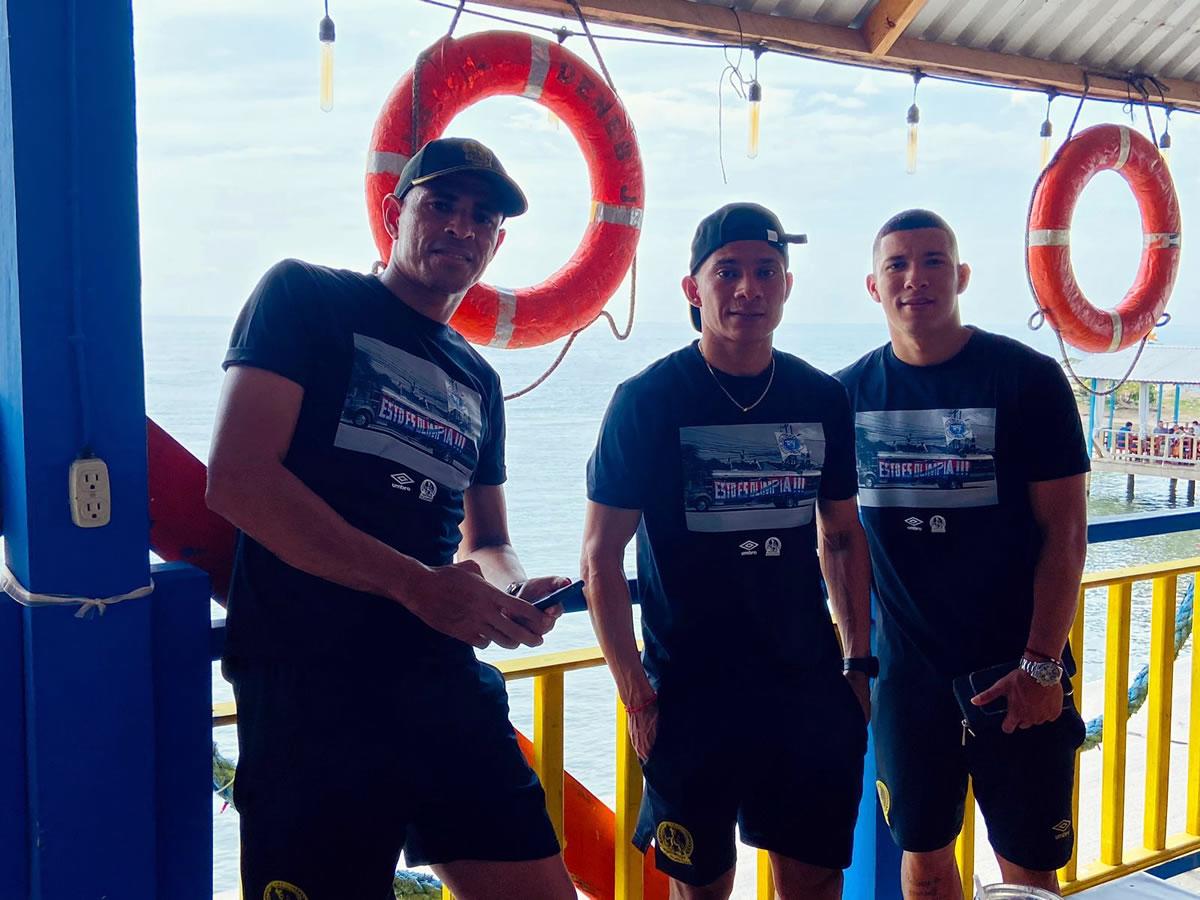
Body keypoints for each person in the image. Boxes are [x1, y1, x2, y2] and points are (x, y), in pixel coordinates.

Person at [207, 138, 576, 900]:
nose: (461, 226)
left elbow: (489, 539)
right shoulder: (304, 297)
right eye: (440, 204)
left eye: (482, 217)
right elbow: (239, 479)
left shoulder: (479, 378)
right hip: (311, 690)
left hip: (442, 684)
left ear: (496, 244)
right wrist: (415, 585)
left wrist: (509, 594)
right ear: (392, 213)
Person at [582, 202, 873, 899]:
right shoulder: (646, 400)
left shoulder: (821, 397)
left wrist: (857, 665)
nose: (749, 288)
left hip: (804, 684)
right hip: (689, 692)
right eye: (728, 272)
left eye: (767, 271)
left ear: (787, 286)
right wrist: (635, 692)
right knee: (701, 886)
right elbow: (599, 559)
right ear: (693, 288)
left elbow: (840, 535)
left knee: (814, 880)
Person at [836, 209, 1089, 899]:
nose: (914, 278)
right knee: (922, 860)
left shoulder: (1026, 379)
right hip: (907, 675)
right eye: (896, 264)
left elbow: (1066, 534)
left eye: (933, 261)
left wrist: (1042, 664)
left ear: (962, 276)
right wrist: (854, 660)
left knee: (1028, 871)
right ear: (873, 285)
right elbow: (835, 537)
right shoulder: (847, 394)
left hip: (1017, 667)